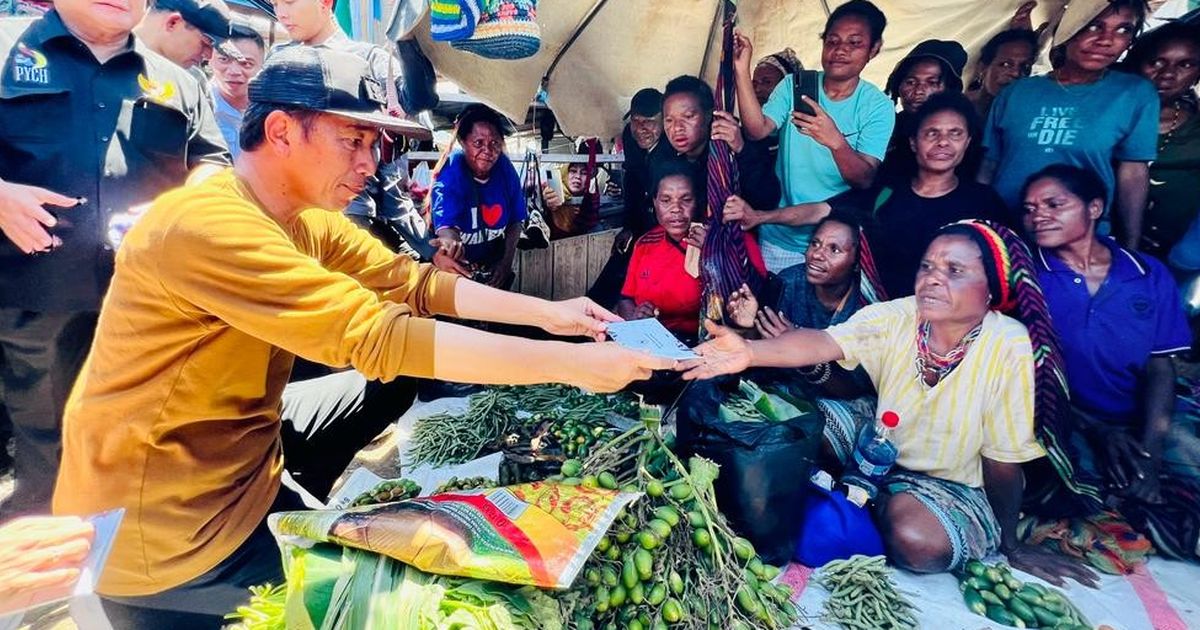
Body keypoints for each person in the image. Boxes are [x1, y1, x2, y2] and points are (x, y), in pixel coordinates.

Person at [50, 46, 669, 627]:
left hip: (243, 461)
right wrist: (569, 365)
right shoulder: (209, 225)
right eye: (353, 139)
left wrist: (553, 316)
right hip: (167, 528)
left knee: (395, 384)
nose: (370, 163)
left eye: (374, 143)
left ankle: (296, 500)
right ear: (281, 131)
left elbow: (412, 283)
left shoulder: (301, 218)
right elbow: (375, 334)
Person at [679, 219, 1099, 585]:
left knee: (917, 545)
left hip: (949, 481)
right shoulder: (899, 315)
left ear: (992, 288)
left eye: (954, 271)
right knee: (797, 423)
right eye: (928, 266)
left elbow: (1003, 463)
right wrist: (750, 353)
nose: (933, 279)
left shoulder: (1009, 346)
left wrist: (1011, 544)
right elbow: (824, 341)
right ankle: (860, 498)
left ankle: (861, 501)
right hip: (880, 439)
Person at [0, 0, 230, 518]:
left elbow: (214, 163)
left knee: (148, 445)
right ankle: (49, 575)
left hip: (147, 303)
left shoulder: (176, 80)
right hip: (37, 299)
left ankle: (128, 575)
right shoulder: (7, 49)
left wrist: (184, 201)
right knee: (50, 454)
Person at [733, 93, 1012, 299]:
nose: (942, 142)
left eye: (955, 133)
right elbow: (821, 210)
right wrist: (759, 217)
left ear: (968, 142)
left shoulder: (983, 205)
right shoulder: (887, 191)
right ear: (914, 142)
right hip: (882, 316)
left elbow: (1005, 274)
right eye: (932, 133)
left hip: (949, 325)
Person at [1025, 165, 1197, 496]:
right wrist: (1099, 431)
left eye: (1054, 204)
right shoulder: (1027, 277)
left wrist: (1150, 452)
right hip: (1065, 419)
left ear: (1095, 208)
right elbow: (1021, 379)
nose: (1038, 216)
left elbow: (1160, 367)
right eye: (1029, 209)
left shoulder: (1147, 273)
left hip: (1140, 414)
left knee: (1178, 467)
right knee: (1078, 486)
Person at [732, 1, 896, 271]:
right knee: (772, 309)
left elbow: (865, 179)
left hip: (834, 244)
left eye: (854, 43)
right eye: (832, 41)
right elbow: (757, 129)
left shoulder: (877, 106)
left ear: (874, 49)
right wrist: (741, 70)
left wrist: (835, 141)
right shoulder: (795, 85)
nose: (840, 50)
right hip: (778, 236)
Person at [980, 0, 1157, 249]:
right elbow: (988, 168)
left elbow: (1133, 174)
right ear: (1068, 27)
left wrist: (1130, 246)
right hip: (1004, 232)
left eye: (1123, 30)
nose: (1106, 40)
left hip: (1079, 240)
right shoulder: (1017, 92)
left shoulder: (1134, 94)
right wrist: (978, 226)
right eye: (1094, 26)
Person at [272, 0, 440, 260]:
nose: (281, 12)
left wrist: (406, 36)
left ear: (325, 2)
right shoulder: (277, 62)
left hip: (350, 221)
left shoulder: (369, 60)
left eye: (289, 2)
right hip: (284, 221)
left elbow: (418, 99)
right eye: (275, 4)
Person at [724, 211, 880, 463]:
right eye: (815, 243)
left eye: (834, 249)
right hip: (791, 388)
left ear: (856, 262)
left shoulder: (865, 309)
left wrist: (803, 353)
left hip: (842, 399)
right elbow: (763, 348)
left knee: (821, 436)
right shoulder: (789, 282)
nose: (817, 254)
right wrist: (747, 326)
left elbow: (855, 387)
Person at [616, 163, 765, 344]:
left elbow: (754, 298)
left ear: (699, 202)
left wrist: (714, 254)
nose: (676, 209)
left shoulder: (731, 241)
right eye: (666, 200)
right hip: (657, 342)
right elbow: (626, 298)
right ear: (654, 202)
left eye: (686, 199)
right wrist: (636, 316)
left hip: (714, 343)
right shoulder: (645, 244)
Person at [648, 75, 780, 219]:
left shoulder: (731, 146)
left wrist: (742, 150)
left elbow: (767, 200)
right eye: (669, 120)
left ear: (709, 115)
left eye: (688, 116)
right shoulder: (661, 158)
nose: (677, 128)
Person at [1122, 22, 1200, 259]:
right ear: (1137, 63)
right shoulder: (1108, 120)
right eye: (1156, 62)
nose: (1167, 74)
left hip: (1178, 257)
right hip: (1109, 248)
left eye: (1185, 65)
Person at [432, 104, 527, 288]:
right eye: (478, 143)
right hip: (460, 269)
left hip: (492, 262)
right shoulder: (452, 171)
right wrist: (451, 245)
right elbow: (447, 228)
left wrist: (505, 263)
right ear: (462, 141)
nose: (488, 151)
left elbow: (516, 221)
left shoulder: (504, 168)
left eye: (495, 144)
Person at [586, 88, 663, 310]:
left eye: (649, 121)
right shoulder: (630, 136)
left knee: (644, 289)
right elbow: (632, 179)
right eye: (636, 121)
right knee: (615, 273)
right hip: (641, 222)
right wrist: (628, 226)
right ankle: (588, 319)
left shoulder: (675, 146)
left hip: (670, 227)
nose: (641, 129)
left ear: (664, 121)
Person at [879, 39, 968, 180]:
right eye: (911, 82)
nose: (919, 91)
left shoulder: (962, 133)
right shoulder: (886, 126)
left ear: (950, 89)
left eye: (932, 83)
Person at [133, 0, 243, 70]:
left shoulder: (194, 81)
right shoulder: (117, 58)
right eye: (205, 44)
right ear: (173, 23)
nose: (209, 56)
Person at [208, 27, 266, 160]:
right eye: (224, 60)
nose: (234, 71)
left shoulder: (271, 110)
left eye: (246, 63)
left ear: (262, 67)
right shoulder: (198, 108)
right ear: (210, 59)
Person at [542, 138, 609, 240]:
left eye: (584, 173)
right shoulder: (551, 189)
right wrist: (546, 203)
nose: (577, 176)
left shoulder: (591, 198)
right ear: (565, 173)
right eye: (573, 171)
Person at [965, 28, 1039, 121]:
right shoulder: (957, 107)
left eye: (1025, 66)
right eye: (1005, 64)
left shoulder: (1031, 116)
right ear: (983, 68)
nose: (1016, 73)